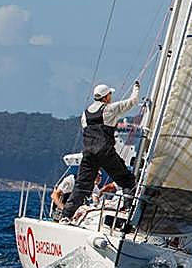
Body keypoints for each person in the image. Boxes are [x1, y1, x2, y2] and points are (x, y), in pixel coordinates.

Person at [60, 82, 140, 221]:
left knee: (82, 186)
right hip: (105, 152)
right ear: (106, 96)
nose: (111, 97)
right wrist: (136, 89)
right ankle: (128, 211)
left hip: (88, 154)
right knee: (127, 180)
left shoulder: (84, 115)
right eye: (110, 94)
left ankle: (65, 216)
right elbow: (132, 101)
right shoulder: (109, 109)